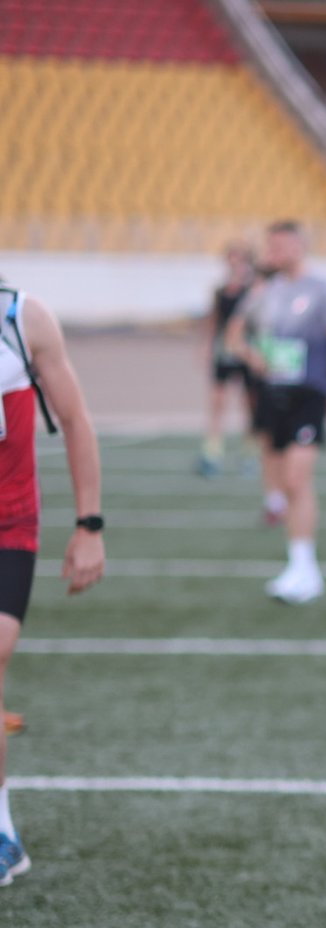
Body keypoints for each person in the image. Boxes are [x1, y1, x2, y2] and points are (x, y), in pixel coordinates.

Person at [0, 282, 106, 886]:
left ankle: (1, 830)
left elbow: (74, 419)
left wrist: (89, 525)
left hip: (7, 524)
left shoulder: (23, 318)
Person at [225, 220, 326, 605]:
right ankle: (298, 567)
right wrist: (253, 357)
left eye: (279, 246)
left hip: (308, 394)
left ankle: (306, 567)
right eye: (271, 247)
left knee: (297, 480)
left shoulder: (322, 289)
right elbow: (234, 335)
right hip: (273, 393)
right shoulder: (265, 291)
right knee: (282, 481)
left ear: (299, 246)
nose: (273, 254)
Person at [197, 241, 259, 478]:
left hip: (247, 353)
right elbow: (213, 321)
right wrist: (206, 347)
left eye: (240, 259)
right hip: (224, 352)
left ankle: (249, 453)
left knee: (249, 404)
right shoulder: (221, 291)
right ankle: (213, 451)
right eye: (232, 259)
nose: (235, 264)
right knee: (218, 403)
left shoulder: (254, 291)